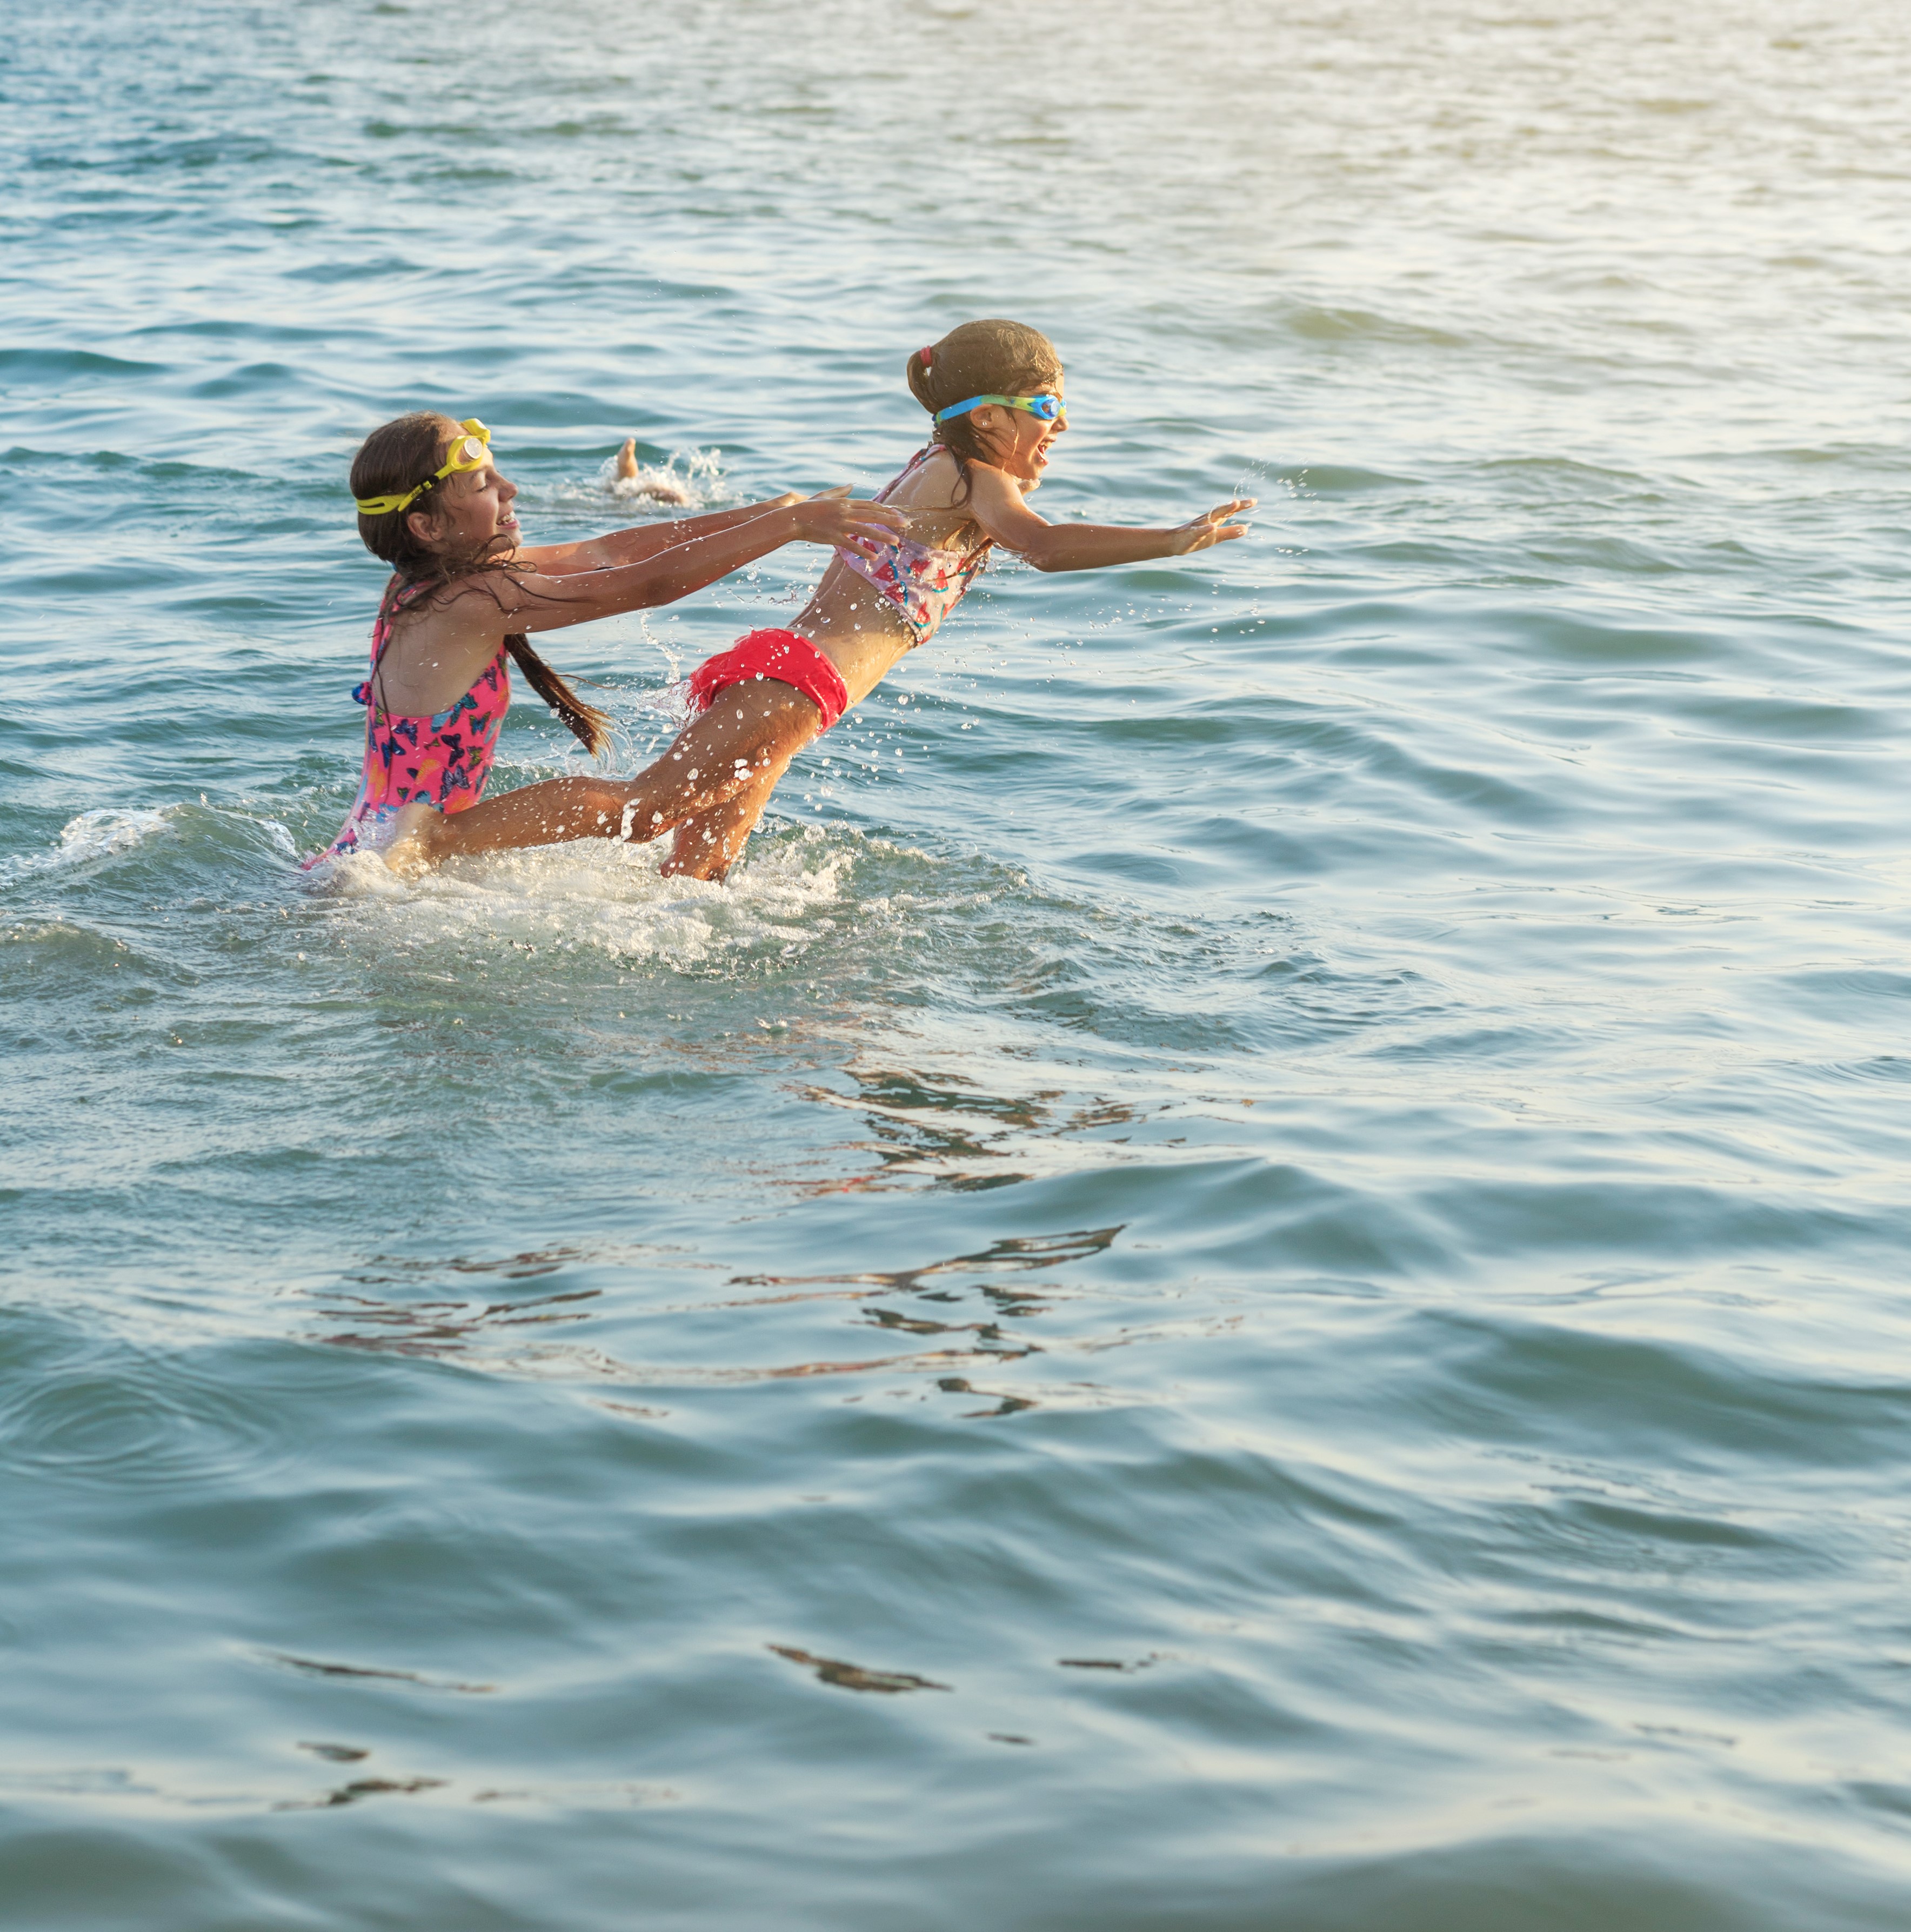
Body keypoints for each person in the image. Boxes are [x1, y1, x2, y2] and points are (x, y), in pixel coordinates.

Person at [644, 317, 1253, 879]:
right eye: (1046, 406)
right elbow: (1039, 544)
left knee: (701, 872)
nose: (1062, 423)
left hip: (782, 668)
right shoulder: (975, 479)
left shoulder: (931, 465)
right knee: (644, 810)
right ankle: (543, 868)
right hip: (797, 686)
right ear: (987, 417)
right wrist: (1168, 541)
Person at [305, 412, 904, 871]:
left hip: (371, 849)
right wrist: (789, 528)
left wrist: (764, 515)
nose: (511, 489)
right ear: (427, 526)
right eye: (484, 483)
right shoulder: (476, 599)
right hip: (391, 863)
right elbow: (647, 583)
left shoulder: (427, 584)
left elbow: (611, 551)